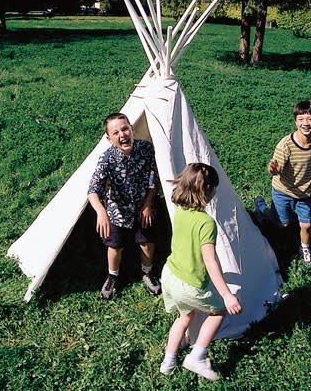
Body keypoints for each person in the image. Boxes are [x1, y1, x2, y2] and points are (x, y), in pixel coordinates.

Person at [159, 163, 242, 380]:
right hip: (190, 284)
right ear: (207, 190)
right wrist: (226, 295)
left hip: (169, 275)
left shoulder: (180, 212)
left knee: (184, 316)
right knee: (218, 312)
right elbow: (210, 260)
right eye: (214, 187)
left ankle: (168, 361)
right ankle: (197, 355)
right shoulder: (206, 223)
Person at [88, 112, 161, 299]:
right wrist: (101, 212)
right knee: (115, 246)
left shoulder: (146, 148)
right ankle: (112, 276)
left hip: (142, 206)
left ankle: (147, 272)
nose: (122, 135)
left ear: (132, 129)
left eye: (125, 129)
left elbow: (153, 178)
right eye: (115, 132)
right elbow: (93, 190)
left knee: (146, 242)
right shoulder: (106, 159)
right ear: (109, 138)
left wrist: (148, 203)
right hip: (117, 210)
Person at [255, 100, 311, 266]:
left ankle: (304, 248)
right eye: (301, 119)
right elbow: (276, 168)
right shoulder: (286, 144)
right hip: (283, 191)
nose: (305, 123)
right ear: (295, 120)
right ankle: (262, 210)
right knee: (284, 224)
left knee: (307, 224)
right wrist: (273, 169)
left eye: (310, 119)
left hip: (305, 193)